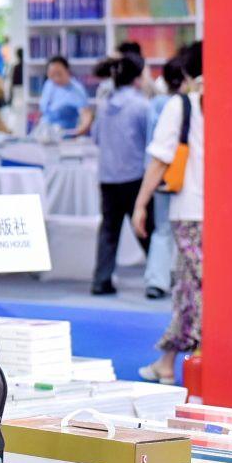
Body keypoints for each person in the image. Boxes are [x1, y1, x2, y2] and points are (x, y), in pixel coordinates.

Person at [133, 43, 204, 383]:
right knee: (195, 286)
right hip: (227, 212)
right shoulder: (231, 101)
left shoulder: (182, 104)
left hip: (189, 209)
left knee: (193, 288)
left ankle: (181, 360)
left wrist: (141, 203)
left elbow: (161, 159)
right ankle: (169, 360)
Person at [90, 55, 152, 295]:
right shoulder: (142, 106)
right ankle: (158, 278)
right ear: (137, 78)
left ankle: (101, 280)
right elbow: (150, 140)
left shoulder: (104, 104)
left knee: (108, 231)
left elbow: (96, 138)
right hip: (135, 176)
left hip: (107, 176)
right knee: (146, 229)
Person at [139, 57, 187, 299]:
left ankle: (157, 280)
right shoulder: (185, 104)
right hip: (182, 172)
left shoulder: (156, 103)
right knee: (185, 229)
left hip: (159, 172)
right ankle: (178, 278)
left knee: (162, 229)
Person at [38, 55, 93, 136]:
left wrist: (75, 134)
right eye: (52, 74)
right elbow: (44, 111)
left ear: (67, 71)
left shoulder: (76, 90)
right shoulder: (49, 84)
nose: (55, 78)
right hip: (43, 133)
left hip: (63, 135)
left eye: (59, 74)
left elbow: (86, 117)